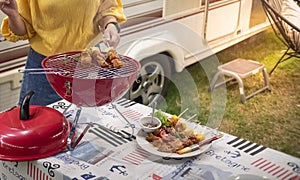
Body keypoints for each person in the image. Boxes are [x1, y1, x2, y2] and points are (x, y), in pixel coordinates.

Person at [0, 0, 126, 106]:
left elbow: (107, 7)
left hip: (88, 63)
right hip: (45, 68)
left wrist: (111, 25)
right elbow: (23, 29)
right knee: (39, 122)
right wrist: (13, 15)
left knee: (83, 120)